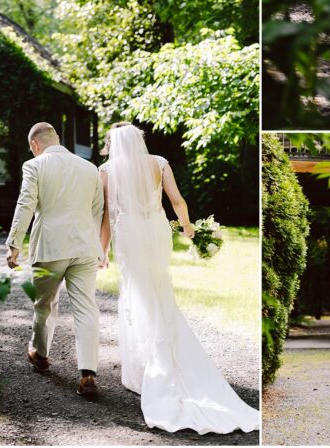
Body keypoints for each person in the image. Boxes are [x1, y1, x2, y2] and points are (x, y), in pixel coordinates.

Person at [98, 122, 259, 434]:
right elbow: (177, 201)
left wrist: (102, 251)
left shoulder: (105, 170)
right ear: (138, 141)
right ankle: (162, 350)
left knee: (136, 292)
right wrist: (187, 227)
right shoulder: (159, 163)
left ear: (113, 143)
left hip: (129, 233)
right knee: (159, 288)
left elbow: (106, 214)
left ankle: (146, 365)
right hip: (157, 231)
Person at [5, 122, 104, 400]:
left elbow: (25, 204)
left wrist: (14, 243)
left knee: (44, 303)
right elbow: (97, 209)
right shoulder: (89, 168)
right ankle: (88, 374)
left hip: (50, 247)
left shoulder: (34, 166)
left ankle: (41, 354)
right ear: (57, 139)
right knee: (86, 307)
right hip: (85, 247)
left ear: (34, 145)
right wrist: (95, 245)